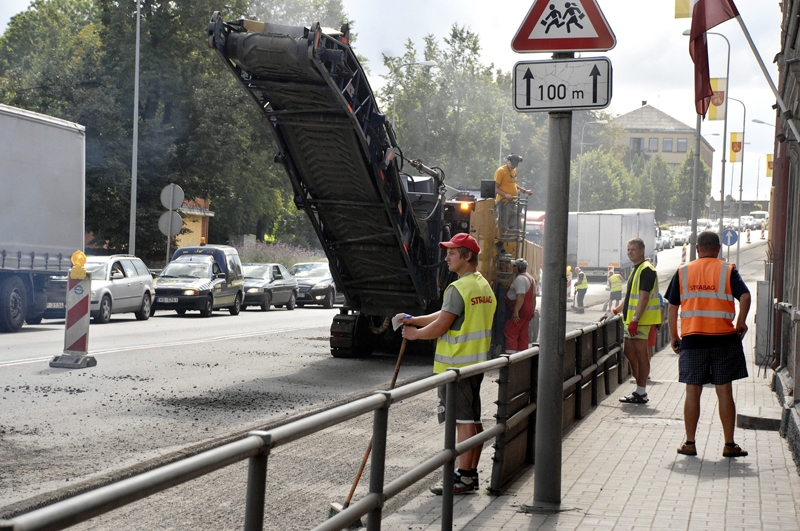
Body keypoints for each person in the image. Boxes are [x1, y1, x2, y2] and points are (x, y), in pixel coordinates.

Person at [397, 232, 496, 494]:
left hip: (455, 368)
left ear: (467, 256)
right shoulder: (482, 286)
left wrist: (415, 334)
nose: (447, 257)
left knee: (462, 422)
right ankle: (470, 473)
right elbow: (447, 313)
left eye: (452, 252)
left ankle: (463, 478)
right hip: (475, 365)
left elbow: (442, 324)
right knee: (473, 420)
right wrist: (416, 319)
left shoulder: (457, 287)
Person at [666, 231, 750, 458]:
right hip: (724, 338)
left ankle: (690, 443)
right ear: (718, 248)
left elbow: (673, 307)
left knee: (693, 390)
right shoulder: (727, 270)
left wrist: (674, 336)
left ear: (697, 249)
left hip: (693, 339)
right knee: (725, 391)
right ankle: (729, 444)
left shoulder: (683, 272)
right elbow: (745, 297)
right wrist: (741, 321)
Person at [609, 238, 661, 404]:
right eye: (628, 249)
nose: (630, 252)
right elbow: (631, 297)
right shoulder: (636, 270)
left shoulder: (646, 270)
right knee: (628, 352)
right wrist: (615, 311)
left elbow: (644, 297)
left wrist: (636, 320)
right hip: (632, 320)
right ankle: (640, 387)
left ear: (642, 251)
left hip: (641, 321)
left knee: (641, 354)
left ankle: (641, 391)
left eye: (633, 249)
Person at [494, 154, 532, 254]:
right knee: (502, 227)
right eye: (512, 164)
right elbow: (496, 187)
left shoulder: (514, 170)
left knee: (516, 226)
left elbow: (514, 184)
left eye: (516, 164)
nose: (513, 166)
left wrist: (524, 191)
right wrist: (505, 195)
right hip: (503, 203)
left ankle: (499, 243)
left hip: (513, 203)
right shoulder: (501, 171)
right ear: (508, 160)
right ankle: (501, 248)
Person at [504, 259, 536, 354]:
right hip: (527, 311)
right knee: (523, 335)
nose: (513, 268)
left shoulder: (520, 279)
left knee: (511, 334)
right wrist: (532, 311)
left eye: (514, 266)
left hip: (520, 311)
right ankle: (522, 358)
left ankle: (511, 357)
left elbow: (521, 295)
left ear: (519, 268)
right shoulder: (531, 279)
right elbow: (533, 297)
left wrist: (516, 311)